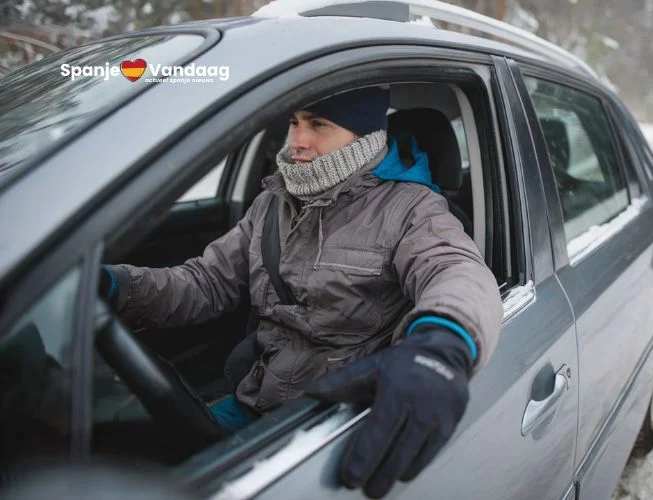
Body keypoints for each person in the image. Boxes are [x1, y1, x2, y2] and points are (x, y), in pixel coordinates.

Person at [100, 86, 503, 498]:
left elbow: (456, 272)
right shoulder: (272, 202)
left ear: (365, 135)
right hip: (255, 398)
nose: (297, 141)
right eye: (294, 121)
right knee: (117, 456)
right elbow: (205, 282)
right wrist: (116, 287)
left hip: (332, 417)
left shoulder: (412, 210)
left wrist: (440, 348)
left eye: (319, 124)